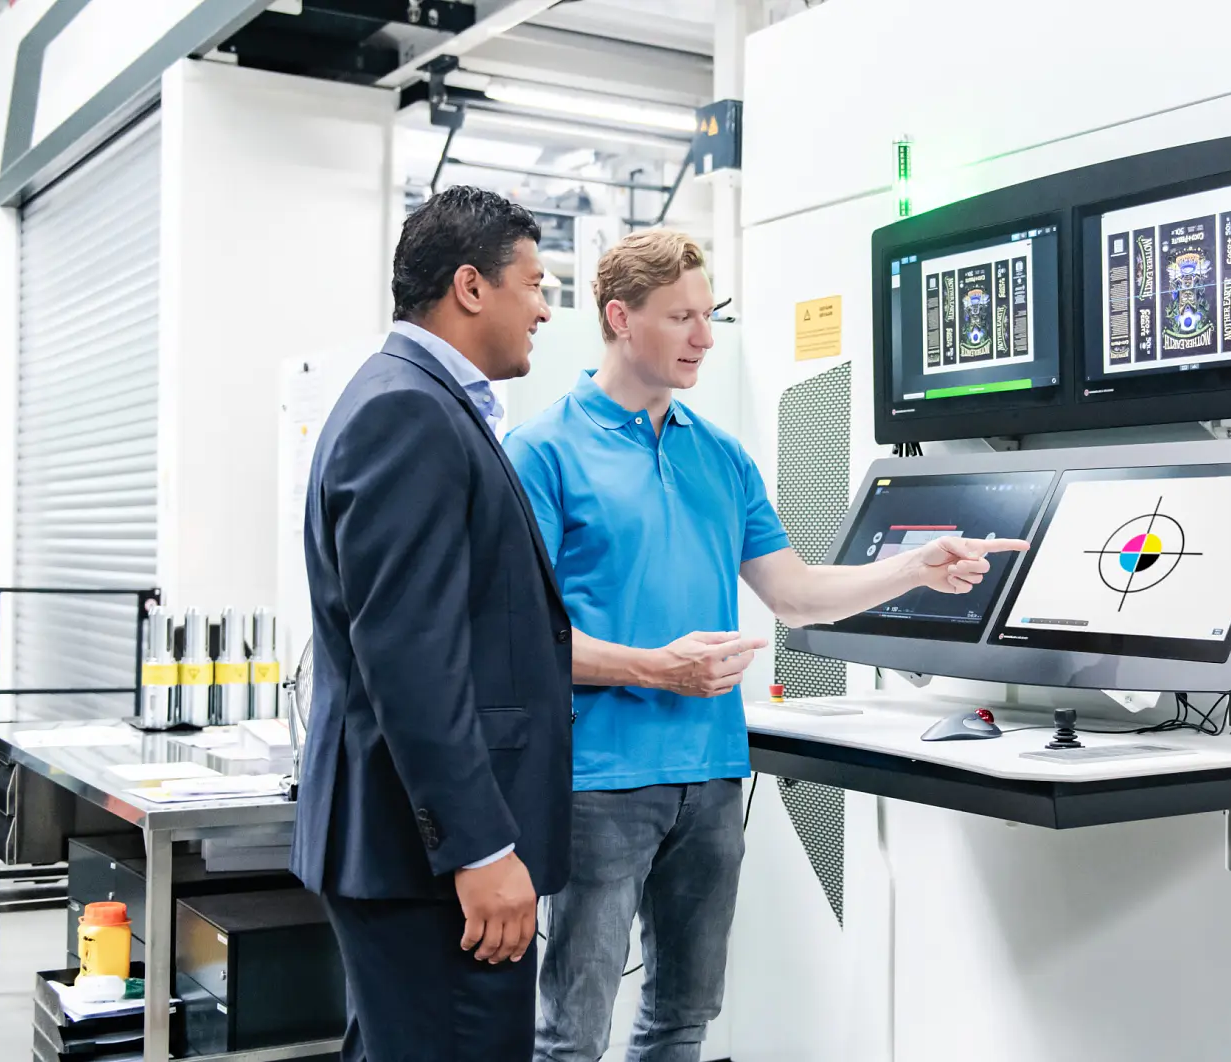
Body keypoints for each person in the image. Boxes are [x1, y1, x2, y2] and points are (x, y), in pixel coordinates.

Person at [504, 230, 1025, 1062]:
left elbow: (796, 594)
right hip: (598, 780)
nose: (705, 338)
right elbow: (517, 641)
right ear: (619, 318)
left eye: (708, 316)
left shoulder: (722, 457)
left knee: (683, 1016)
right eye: (681, 317)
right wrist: (654, 668)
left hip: (711, 777)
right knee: (571, 1035)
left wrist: (914, 568)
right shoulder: (541, 454)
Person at [292, 186, 573, 1062]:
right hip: (432, 862)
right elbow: (413, 658)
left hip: (413, 849)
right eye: (533, 282)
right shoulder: (407, 411)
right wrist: (481, 847)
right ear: (471, 287)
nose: (544, 306)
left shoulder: (418, 402)